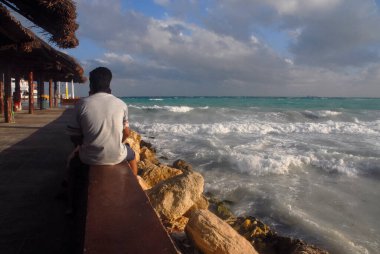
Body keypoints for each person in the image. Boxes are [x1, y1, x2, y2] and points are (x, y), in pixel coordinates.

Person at [65, 67, 137, 213]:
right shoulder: (121, 104)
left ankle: (70, 205)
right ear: (109, 83)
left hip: (89, 157)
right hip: (116, 155)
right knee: (133, 156)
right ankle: (133, 190)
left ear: (91, 84)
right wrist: (119, 142)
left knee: (71, 165)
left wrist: (81, 145)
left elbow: (74, 135)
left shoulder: (81, 104)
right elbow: (127, 133)